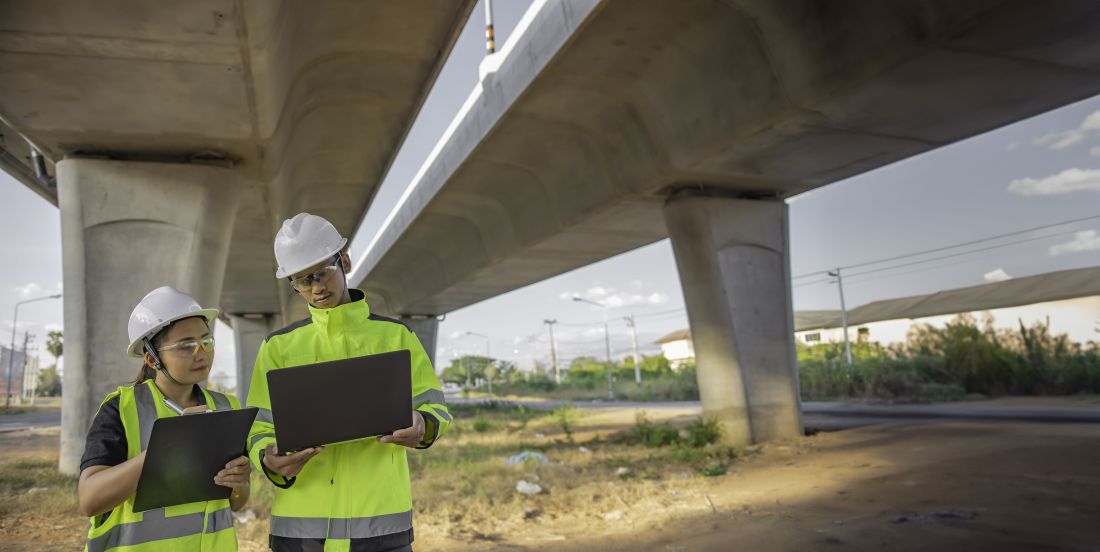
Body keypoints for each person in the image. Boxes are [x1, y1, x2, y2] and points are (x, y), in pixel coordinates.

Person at [246, 213, 452, 552]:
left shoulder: (396, 337)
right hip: (301, 530)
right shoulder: (278, 347)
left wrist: (423, 424)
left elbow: (436, 409)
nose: (315, 287)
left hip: (380, 524)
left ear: (345, 262)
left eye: (321, 273)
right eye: (301, 281)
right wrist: (268, 459)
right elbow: (258, 426)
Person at [78, 286, 251, 551]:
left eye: (206, 341)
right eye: (186, 346)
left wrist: (239, 483)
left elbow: (237, 502)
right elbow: (90, 500)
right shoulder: (122, 408)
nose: (201, 353)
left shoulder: (226, 407)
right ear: (151, 358)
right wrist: (166, 447)